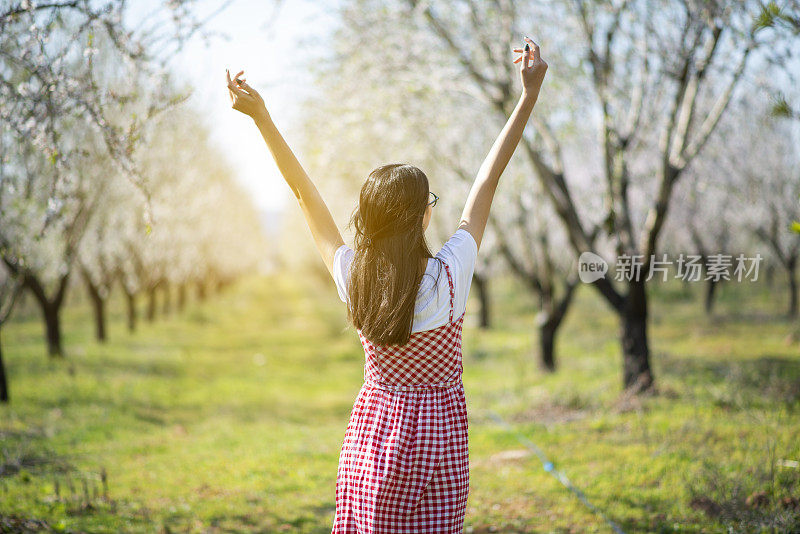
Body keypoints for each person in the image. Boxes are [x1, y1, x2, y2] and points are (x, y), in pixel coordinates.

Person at [226, 34, 547, 534]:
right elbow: (488, 180)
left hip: (375, 441)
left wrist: (263, 119)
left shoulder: (357, 279)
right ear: (424, 216)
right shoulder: (449, 275)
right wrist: (528, 96)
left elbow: (304, 195)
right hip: (441, 443)